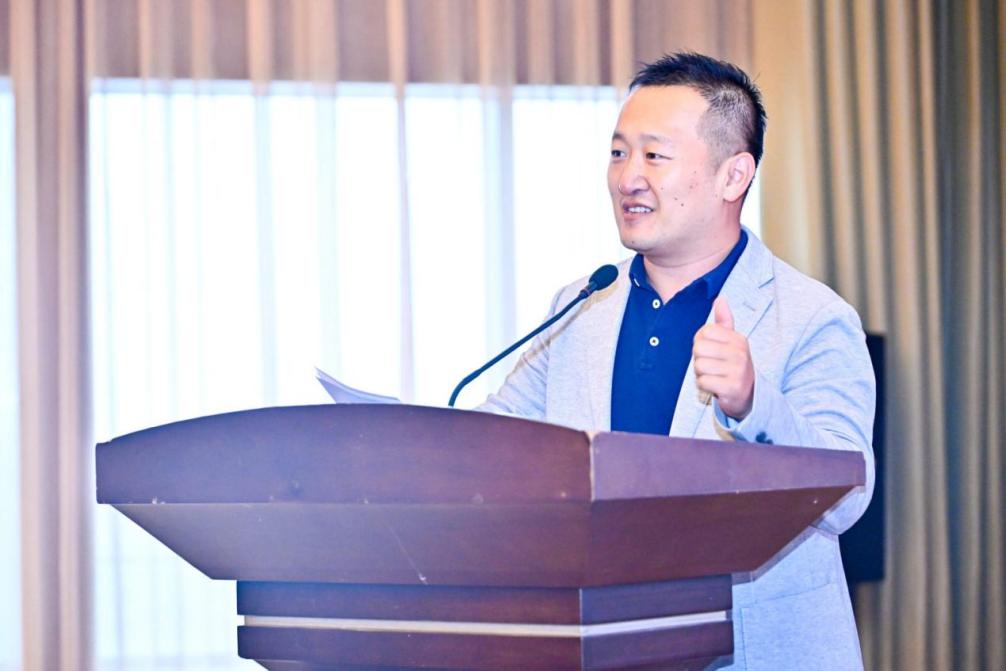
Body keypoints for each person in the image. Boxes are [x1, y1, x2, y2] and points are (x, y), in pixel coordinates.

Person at [479, 52, 875, 670]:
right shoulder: (581, 305)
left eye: (654, 156)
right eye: (618, 153)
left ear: (733, 176)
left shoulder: (811, 316)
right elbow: (497, 439)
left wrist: (753, 402)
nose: (627, 178)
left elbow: (848, 497)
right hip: (601, 649)